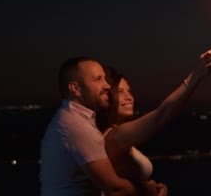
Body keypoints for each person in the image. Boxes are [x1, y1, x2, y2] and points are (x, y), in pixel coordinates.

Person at [96, 48, 211, 195]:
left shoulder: (117, 134)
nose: (129, 97)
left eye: (129, 91)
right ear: (108, 98)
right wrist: (195, 76)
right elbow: (162, 114)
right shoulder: (115, 137)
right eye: (120, 91)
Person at [40, 56, 158, 196]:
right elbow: (113, 189)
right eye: (98, 79)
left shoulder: (74, 120)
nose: (107, 85)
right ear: (75, 88)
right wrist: (148, 191)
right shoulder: (76, 126)